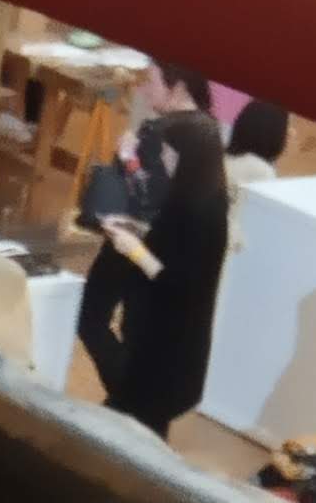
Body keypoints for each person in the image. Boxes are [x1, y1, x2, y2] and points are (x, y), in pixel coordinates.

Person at [73, 67, 231, 440]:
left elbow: (179, 280)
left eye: (169, 155)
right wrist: (136, 233)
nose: (164, 160)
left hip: (166, 353)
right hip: (160, 350)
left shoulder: (201, 211)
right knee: (135, 428)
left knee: (133, 430)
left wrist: (134, 249)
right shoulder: (193, 201)